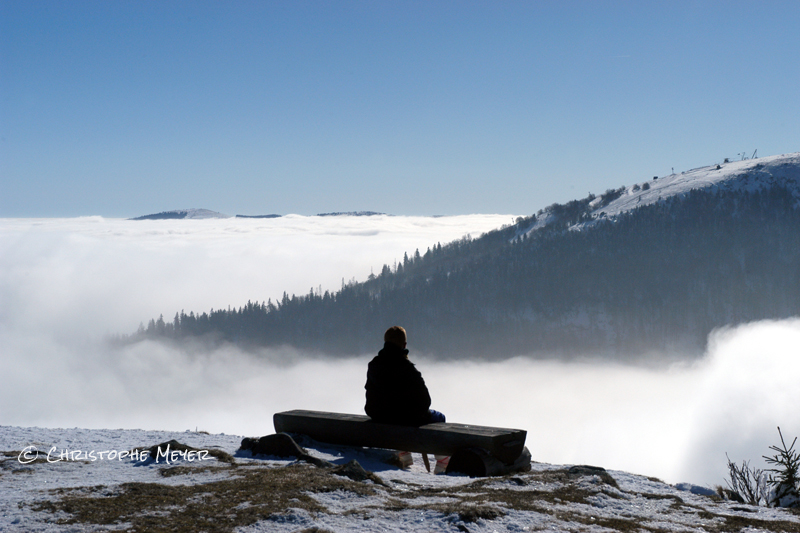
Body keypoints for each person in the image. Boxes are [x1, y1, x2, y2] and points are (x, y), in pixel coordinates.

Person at [364, 326, 449, 473]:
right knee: (440, 417)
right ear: (404, 345)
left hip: (379, 415)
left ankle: (404, 455)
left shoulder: (374, 364)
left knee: (398, 418)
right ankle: (443, 463)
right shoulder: (407, 368)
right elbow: (425, 401)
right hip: (404, 418)